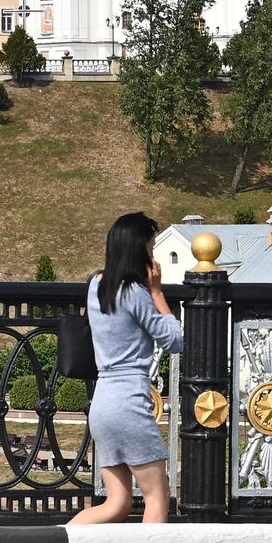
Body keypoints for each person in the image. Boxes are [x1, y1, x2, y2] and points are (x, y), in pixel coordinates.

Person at [69, 211, 184, 525]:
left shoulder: (96, 285)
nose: (153, 256)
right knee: (157, 498)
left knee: (116, 503)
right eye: (151, 247)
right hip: (129, 403)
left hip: (102, 405)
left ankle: (58, 542)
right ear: (138, 249)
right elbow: (174, 341)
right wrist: (157, 292)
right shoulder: (135, 293)